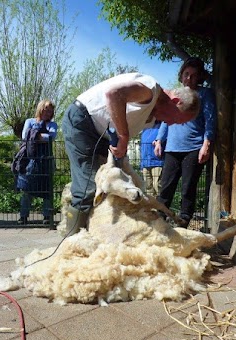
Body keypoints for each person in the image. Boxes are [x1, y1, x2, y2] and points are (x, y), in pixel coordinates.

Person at [62, 72, 200, 236]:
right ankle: (70, 246)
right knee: (89, 187)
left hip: (103, 135)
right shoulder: (149, 90)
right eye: (177, 120)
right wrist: (124, 136)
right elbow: (114, 94)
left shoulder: (151, 112)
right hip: (83, 123)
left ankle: (98, 237)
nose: (171, 124)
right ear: (176, 102)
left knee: (111, 189)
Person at [154, 57, 217, 228]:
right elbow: (166, 118)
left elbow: (210, 120)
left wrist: (207, 143)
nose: (189, 79)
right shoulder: (176, 93)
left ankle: (183, 225)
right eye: (186, 74)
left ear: (200, 77)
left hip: (194, 148)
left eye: (194, 75)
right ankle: (159, 222)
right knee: (165, 187)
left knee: (188, 188)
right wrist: (159, 139)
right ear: (181, 75)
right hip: (172, 147)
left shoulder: (205, 94)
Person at [17, 99, 58, 225]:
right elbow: (25, 136)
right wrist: (40, 136)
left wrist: (34, 135)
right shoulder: (29, 121)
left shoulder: (53, 125)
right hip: (30, 160)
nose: (48, 112)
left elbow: (52, 137)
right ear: (40, 109)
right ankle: (23, 216)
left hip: (46, 160)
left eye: (50, 110)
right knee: (27, 189)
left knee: (47, 189)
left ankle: (47, 216)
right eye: (46, 109)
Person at [140, 120, 165, 197]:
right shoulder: (145, 128)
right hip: (145, 163)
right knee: (148, 188)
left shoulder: (162, 126)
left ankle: (161, 206)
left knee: (157, 185)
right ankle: (151, 207)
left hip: (158, 162)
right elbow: (141, 148)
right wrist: (141, 164)